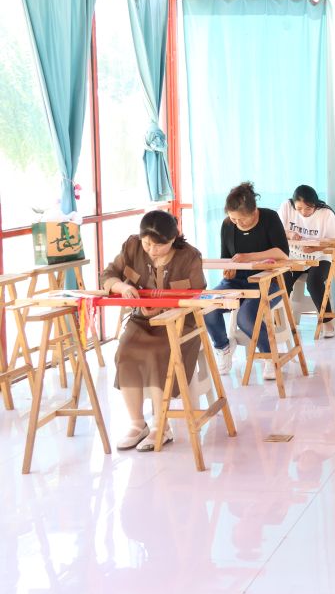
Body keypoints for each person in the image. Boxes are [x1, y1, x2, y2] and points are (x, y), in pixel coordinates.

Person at [100, 210, 206, 451]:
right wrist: (121, 288)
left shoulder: (189, 257)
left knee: (159, 353)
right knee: (124, 352)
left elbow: (197, 294)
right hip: (142, 320)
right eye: (147, 244)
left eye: (158, 245)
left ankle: (161, 425)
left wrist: (162, 308)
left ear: (173, 239)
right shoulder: (132, 246)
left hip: (180, 322)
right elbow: (108, 274)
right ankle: (137, 424)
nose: (151, 250)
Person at [203, 182, 290, 381]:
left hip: (269, 281)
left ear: (253, 212)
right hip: (237, 281)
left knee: (246, 316)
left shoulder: (269, 218)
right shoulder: (228, 225)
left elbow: (282, 253)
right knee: (208, 306)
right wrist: (229, 270)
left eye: (241, 219)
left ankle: (269, 355)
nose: (236, 223)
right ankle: (223, 347)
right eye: (233, 218)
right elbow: (227, 259)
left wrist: (249, 257)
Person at [278, 185, 335, 338]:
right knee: (281, 280)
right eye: (299, 208)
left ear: (315, 204)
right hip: (294, 257)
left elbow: (334, 242)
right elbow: (276, 231)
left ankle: (328, 322)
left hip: (321, 257)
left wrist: (314, 248)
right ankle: (280, 322)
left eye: (308, 209)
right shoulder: (287, 207)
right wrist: (290, 234)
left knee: (314, 282)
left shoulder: (326, 214)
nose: (303, 212)